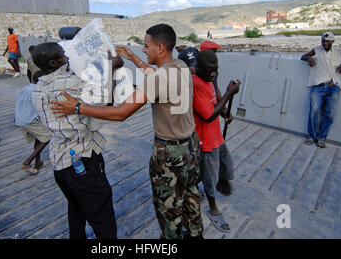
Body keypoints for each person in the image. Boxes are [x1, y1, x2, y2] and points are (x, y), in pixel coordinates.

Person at [52, 24, 204, 239]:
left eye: (146, 45)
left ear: (160, 47)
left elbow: (121, 112)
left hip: (169, 154)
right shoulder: (181, 67)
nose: (143, 49)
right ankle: (197, 234)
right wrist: (134, 58)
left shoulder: (157, 79)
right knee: (191, 196)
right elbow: (158, 75)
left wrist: (78, 107)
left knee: (169, 210)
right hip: (191, 146)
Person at [31, 42, 118, 239]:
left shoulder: (38, 87)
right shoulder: (72, 83)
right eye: (63, 56)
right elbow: (106, 102)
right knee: (102, 215)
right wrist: (111, 68)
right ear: (54, 62)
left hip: (60, 161)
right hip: (83, 160)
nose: (68, 58)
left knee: (76, 208)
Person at [192, 50, 241, 233]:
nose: (212, 74)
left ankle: (216, 184)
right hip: (205, 140)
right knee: (209, 176)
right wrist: (229, 93)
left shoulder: (208, 80)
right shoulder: (197, 84)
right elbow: (207, 116)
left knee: (227, 166)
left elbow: (214, 104)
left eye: (215, 70)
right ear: (197, 68)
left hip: (216, 135)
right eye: (208, 70)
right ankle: (213, 208)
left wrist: (225, 113)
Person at [301, 32, 341, 148]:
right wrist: (310, 58)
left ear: (332, 41)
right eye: (323, 41)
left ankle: (322, 138)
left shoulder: (339, 52)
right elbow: (303, 56)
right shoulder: (316, 50)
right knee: (314, 110)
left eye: (327, 41)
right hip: (318, 85)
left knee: (330, 114)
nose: (324, 43)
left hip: (333, 86)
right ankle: (312, 137)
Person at [15, 70, 51, 174]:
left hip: (20, 119)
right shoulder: (38, 92)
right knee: (47, 137)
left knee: (39, 138)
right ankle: (27, 162)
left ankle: (38, 163)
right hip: (30, 120)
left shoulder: (25, 89)